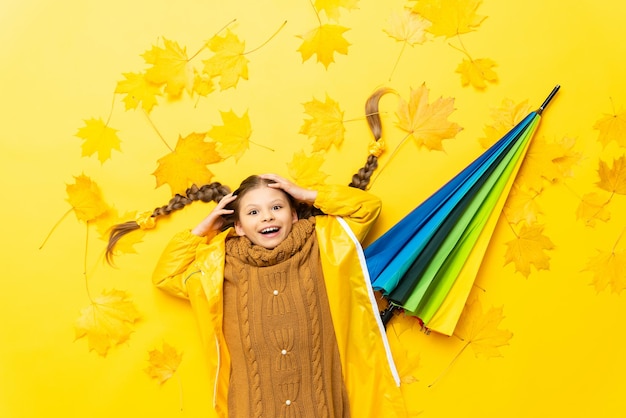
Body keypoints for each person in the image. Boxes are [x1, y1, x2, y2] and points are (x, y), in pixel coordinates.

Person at [106, 89, 407, 418]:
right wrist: (202, 229)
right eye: (253, 212)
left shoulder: (324, 240)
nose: (266, 217)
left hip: (323, 403)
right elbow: (165, 276)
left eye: (277, 207)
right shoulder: (220, 262)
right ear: (236, 226)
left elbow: (368, 209)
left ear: (293, 214)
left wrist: (304, 193)